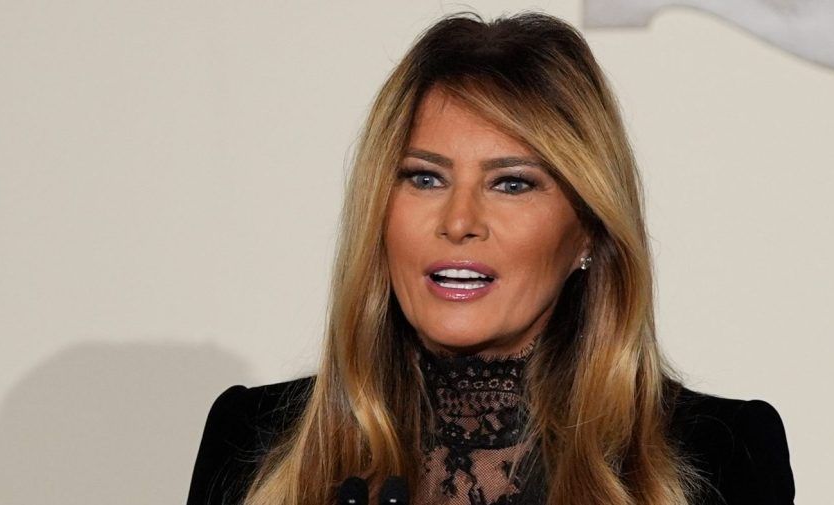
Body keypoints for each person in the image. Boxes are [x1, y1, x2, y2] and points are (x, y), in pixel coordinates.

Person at [186, 10, 795, 505]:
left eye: (511, 183)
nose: (458, 222)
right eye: (424, 178)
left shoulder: (726, 453)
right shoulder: (252, 439)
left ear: (588, 230)